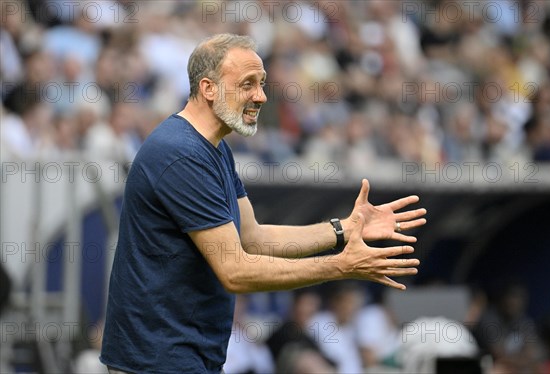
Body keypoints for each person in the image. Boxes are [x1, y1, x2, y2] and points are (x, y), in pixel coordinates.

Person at [100, 33, 427, 374]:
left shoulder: (213, 149)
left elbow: (254, 238)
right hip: (157, 361)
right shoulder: (181, 154)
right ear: (209, 88)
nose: (261, 96)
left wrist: (345, 229)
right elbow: (236, 271)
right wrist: (341, 266)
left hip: (183, 357)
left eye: (262, 83)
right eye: (247, 84)